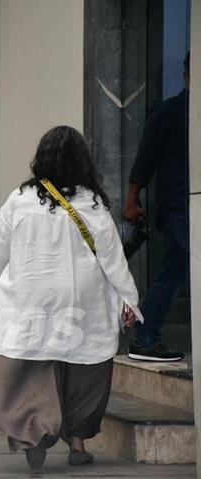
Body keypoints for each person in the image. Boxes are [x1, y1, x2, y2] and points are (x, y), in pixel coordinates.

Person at [0, 126, 141, 471]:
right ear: (82, 161)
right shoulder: (93, 204)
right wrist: (128, 298)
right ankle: (77, 442)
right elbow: (113, 260)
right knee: (82, 372)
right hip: (83, 300)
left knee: (35, 369)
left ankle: (33, 434)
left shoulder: (19, 200)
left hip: (32, 299)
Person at [123, 52, 190, 362]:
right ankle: (145, 336)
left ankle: (145, 335)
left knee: (174, 271)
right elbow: (145, 157)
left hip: (183, 206)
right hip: (179, 206)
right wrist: (131, 199)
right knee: (175, 272)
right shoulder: (170, 111)